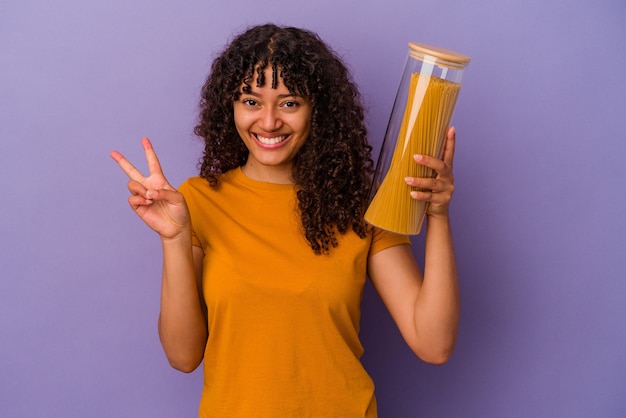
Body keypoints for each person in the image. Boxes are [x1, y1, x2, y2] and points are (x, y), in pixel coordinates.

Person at [110, 23, 459, 418]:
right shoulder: (197, 201)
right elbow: (183, 356)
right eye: (251, 101)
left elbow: (434, 344)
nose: (269, 121)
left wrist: (439, 216)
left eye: (290, 103)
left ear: (318, 109)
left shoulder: (360, 205)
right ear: (231, 107)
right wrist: (174, 240)